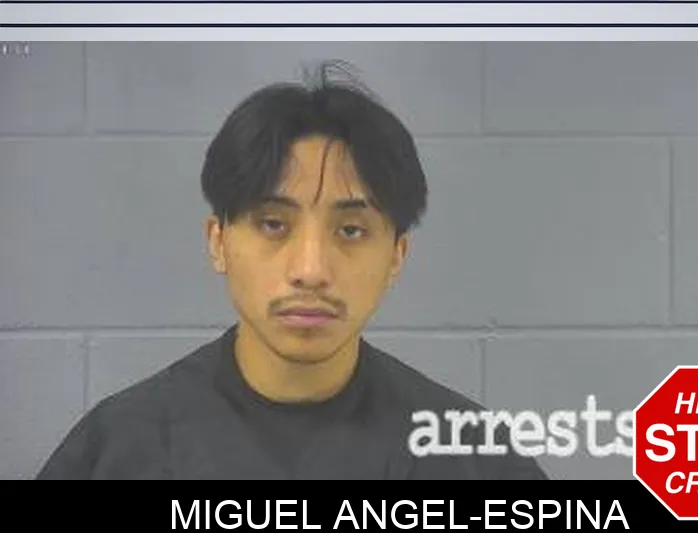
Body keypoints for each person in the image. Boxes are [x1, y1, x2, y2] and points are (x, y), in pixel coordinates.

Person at [36, 61, 549, 480]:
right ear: (218, 242)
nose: (310, 270)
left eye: (351, 230)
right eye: (273, 224)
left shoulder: (474, 459)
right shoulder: (117, 449)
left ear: (396, 256)